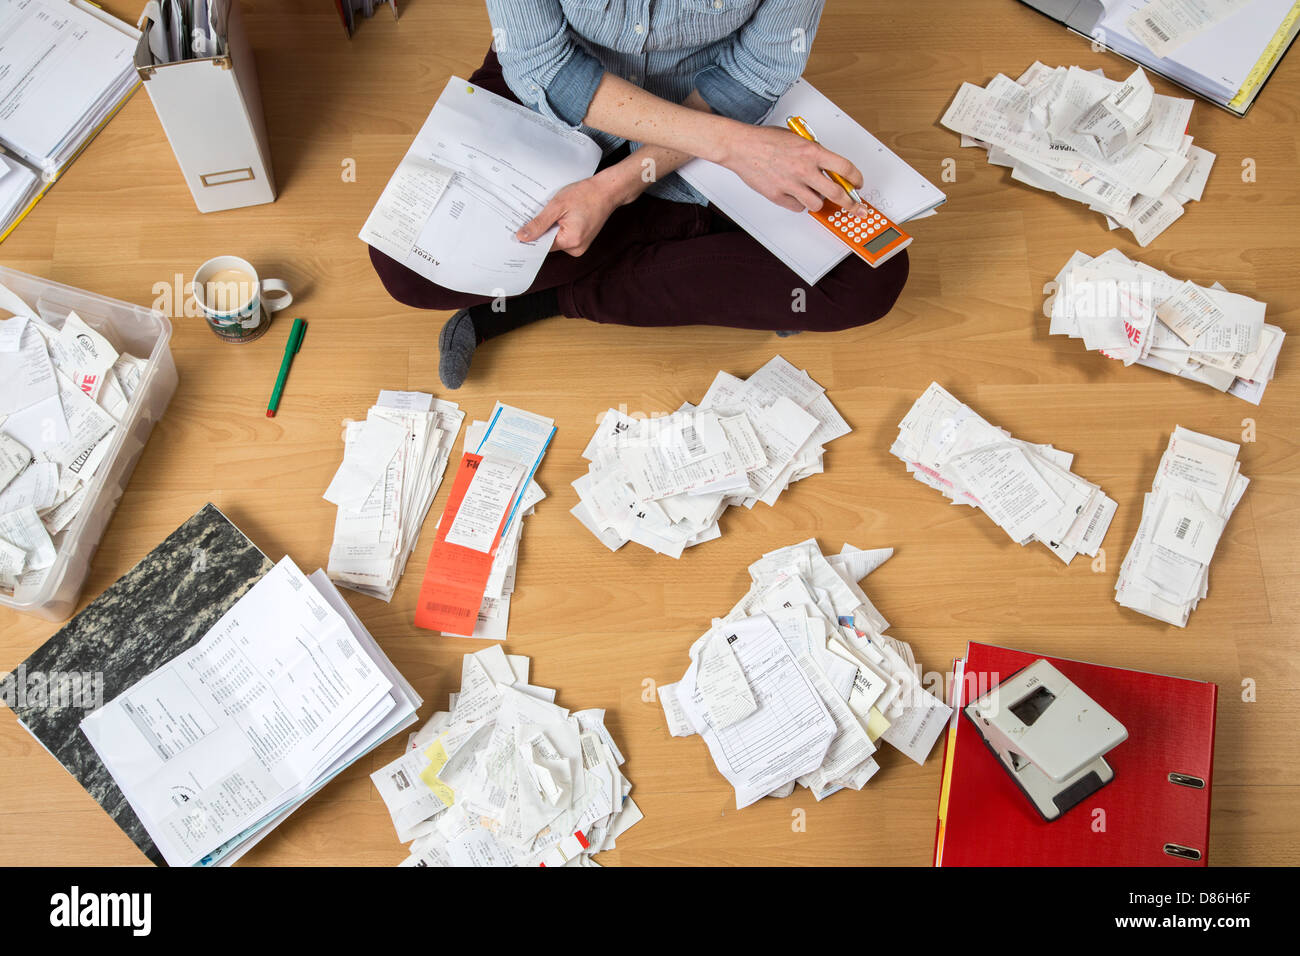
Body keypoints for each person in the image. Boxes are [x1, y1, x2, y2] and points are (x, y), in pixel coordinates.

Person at [369, 0, 910, 389]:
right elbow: (542, 64)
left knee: (870, 275)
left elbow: (758, 71)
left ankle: (539, 299)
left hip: (709, 107)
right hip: (554, 104)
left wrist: (617, 186)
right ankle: (680, 235)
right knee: (403, 260)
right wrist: (736, 148)